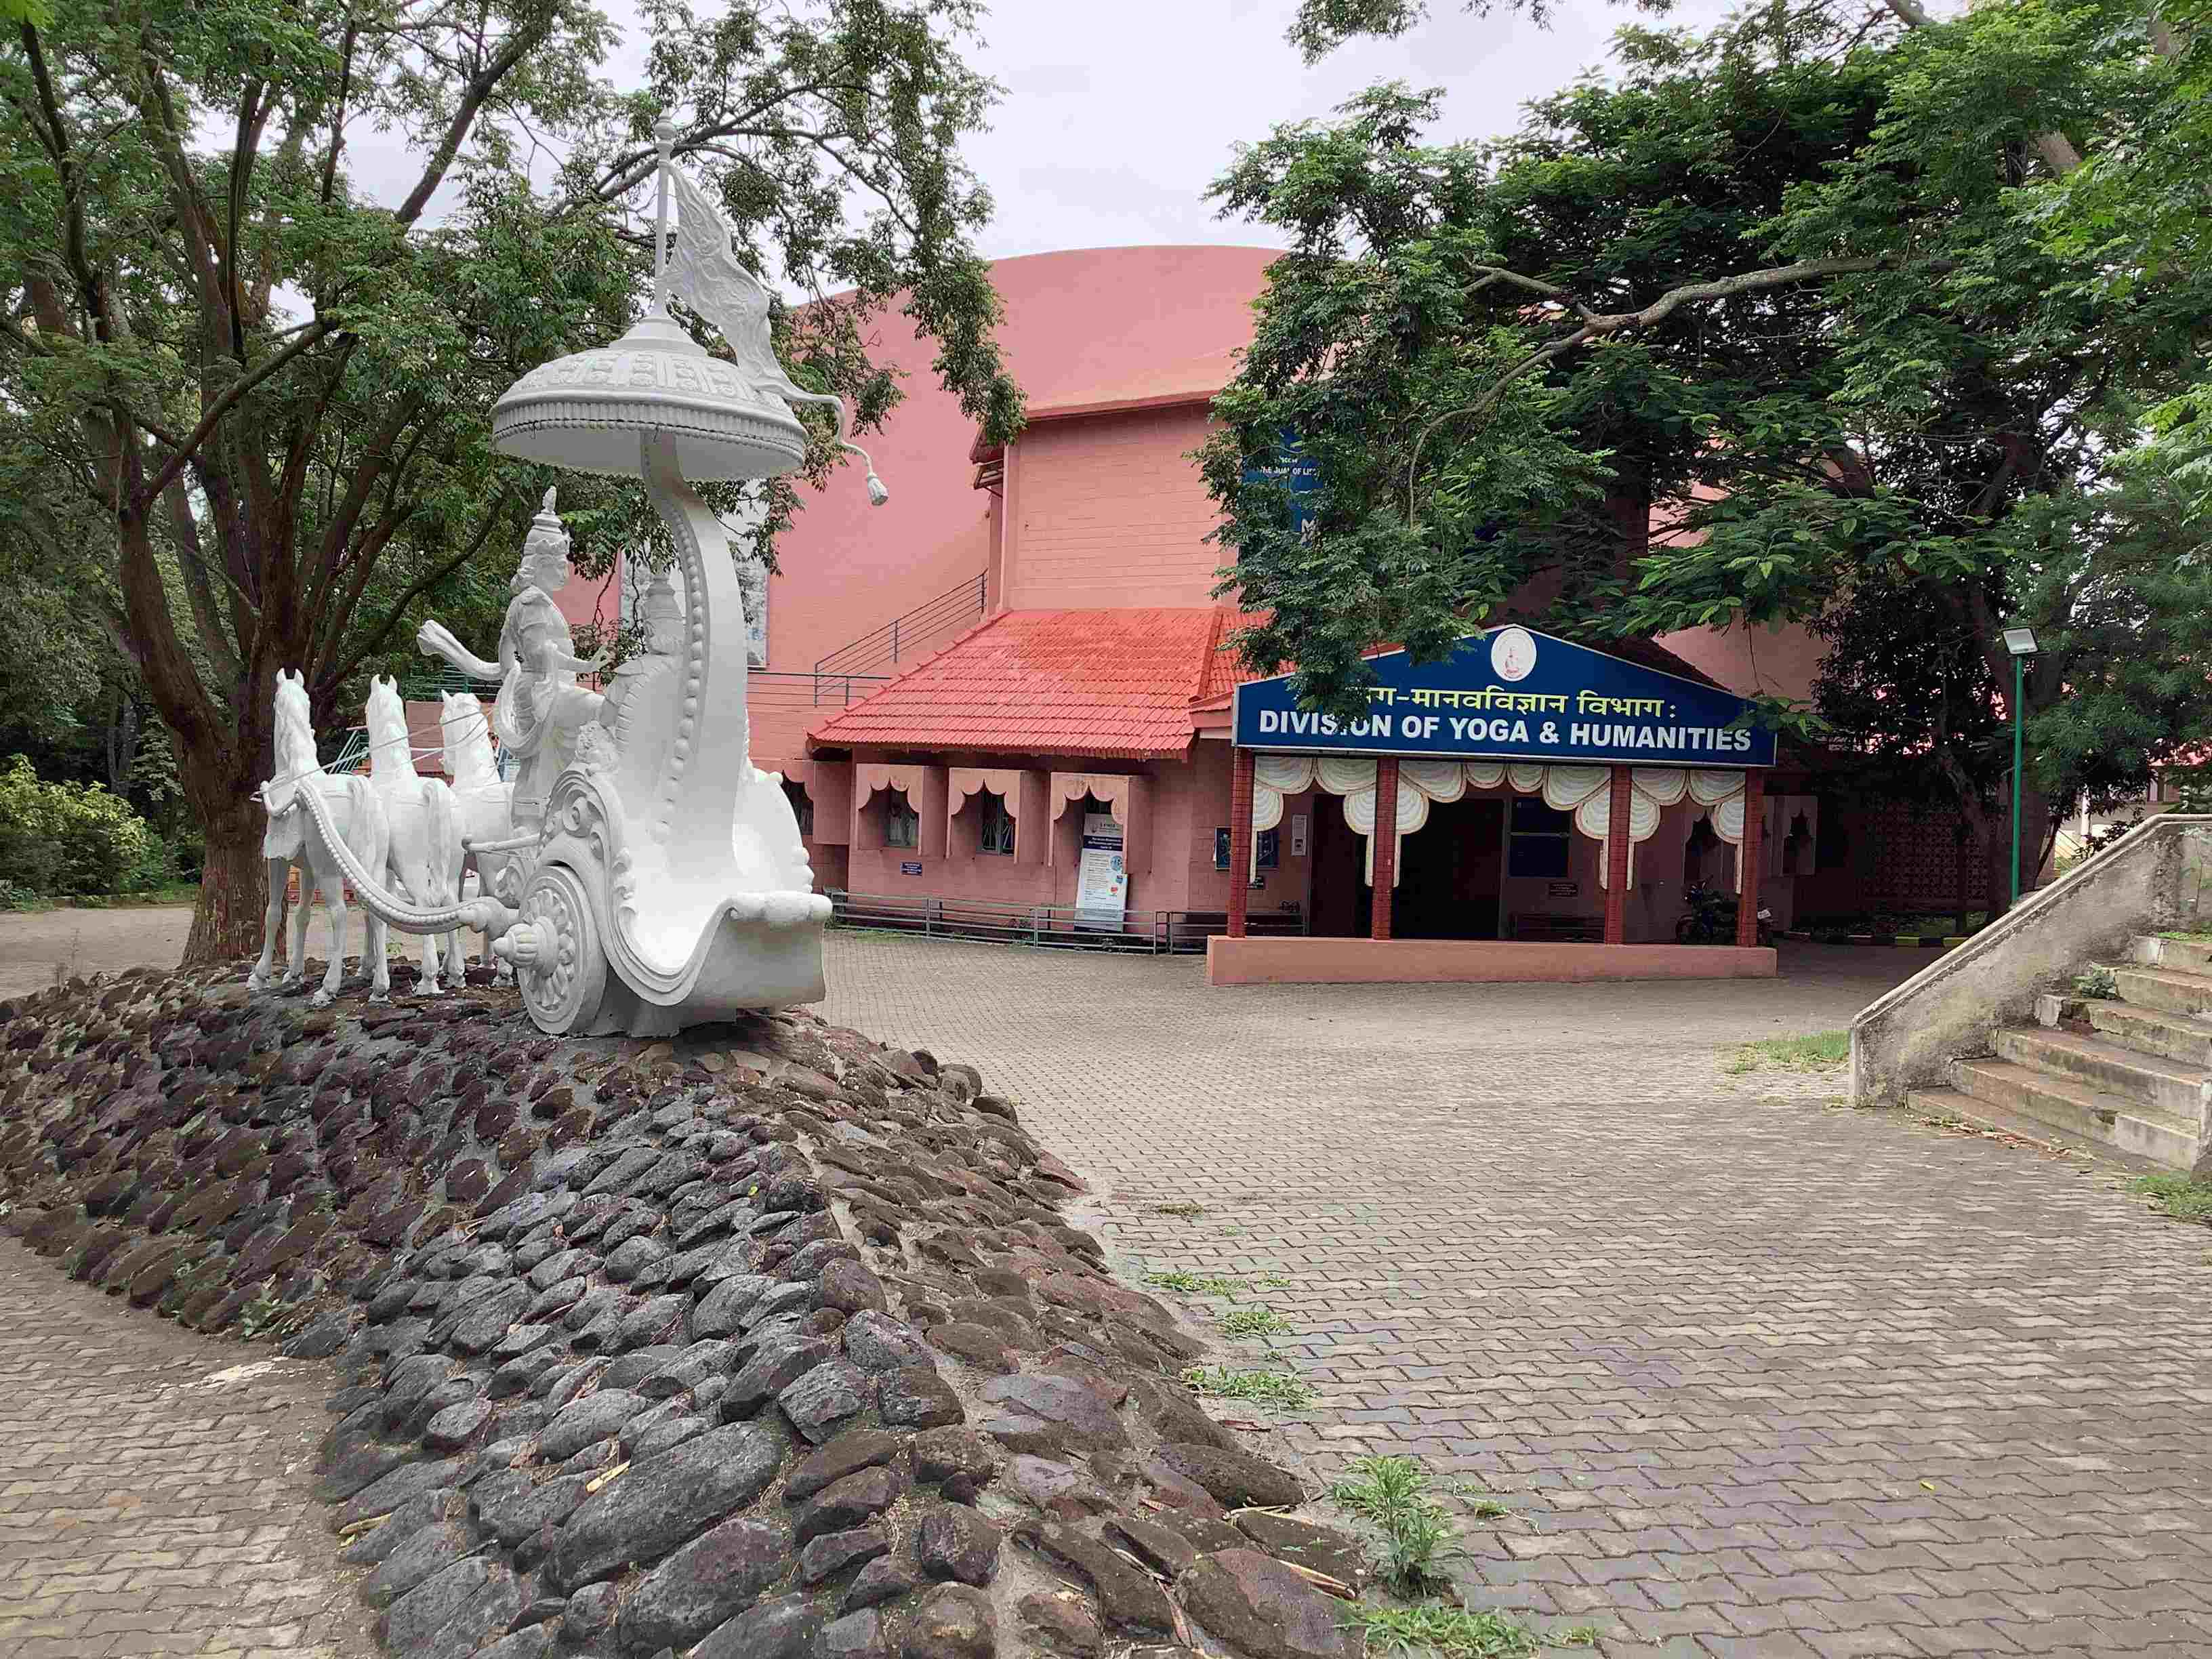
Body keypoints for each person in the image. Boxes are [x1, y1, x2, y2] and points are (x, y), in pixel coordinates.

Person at [417, 489, 604, 828]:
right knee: (603, 710)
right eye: (559, 565)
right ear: (541, 566)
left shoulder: (530, 603)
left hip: (544, 688)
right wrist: (585, 666)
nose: (566, 572)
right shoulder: (533, 603)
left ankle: (554, 803)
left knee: (550, 761)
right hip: (545, 691)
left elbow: (504, 663)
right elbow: (540, 654)